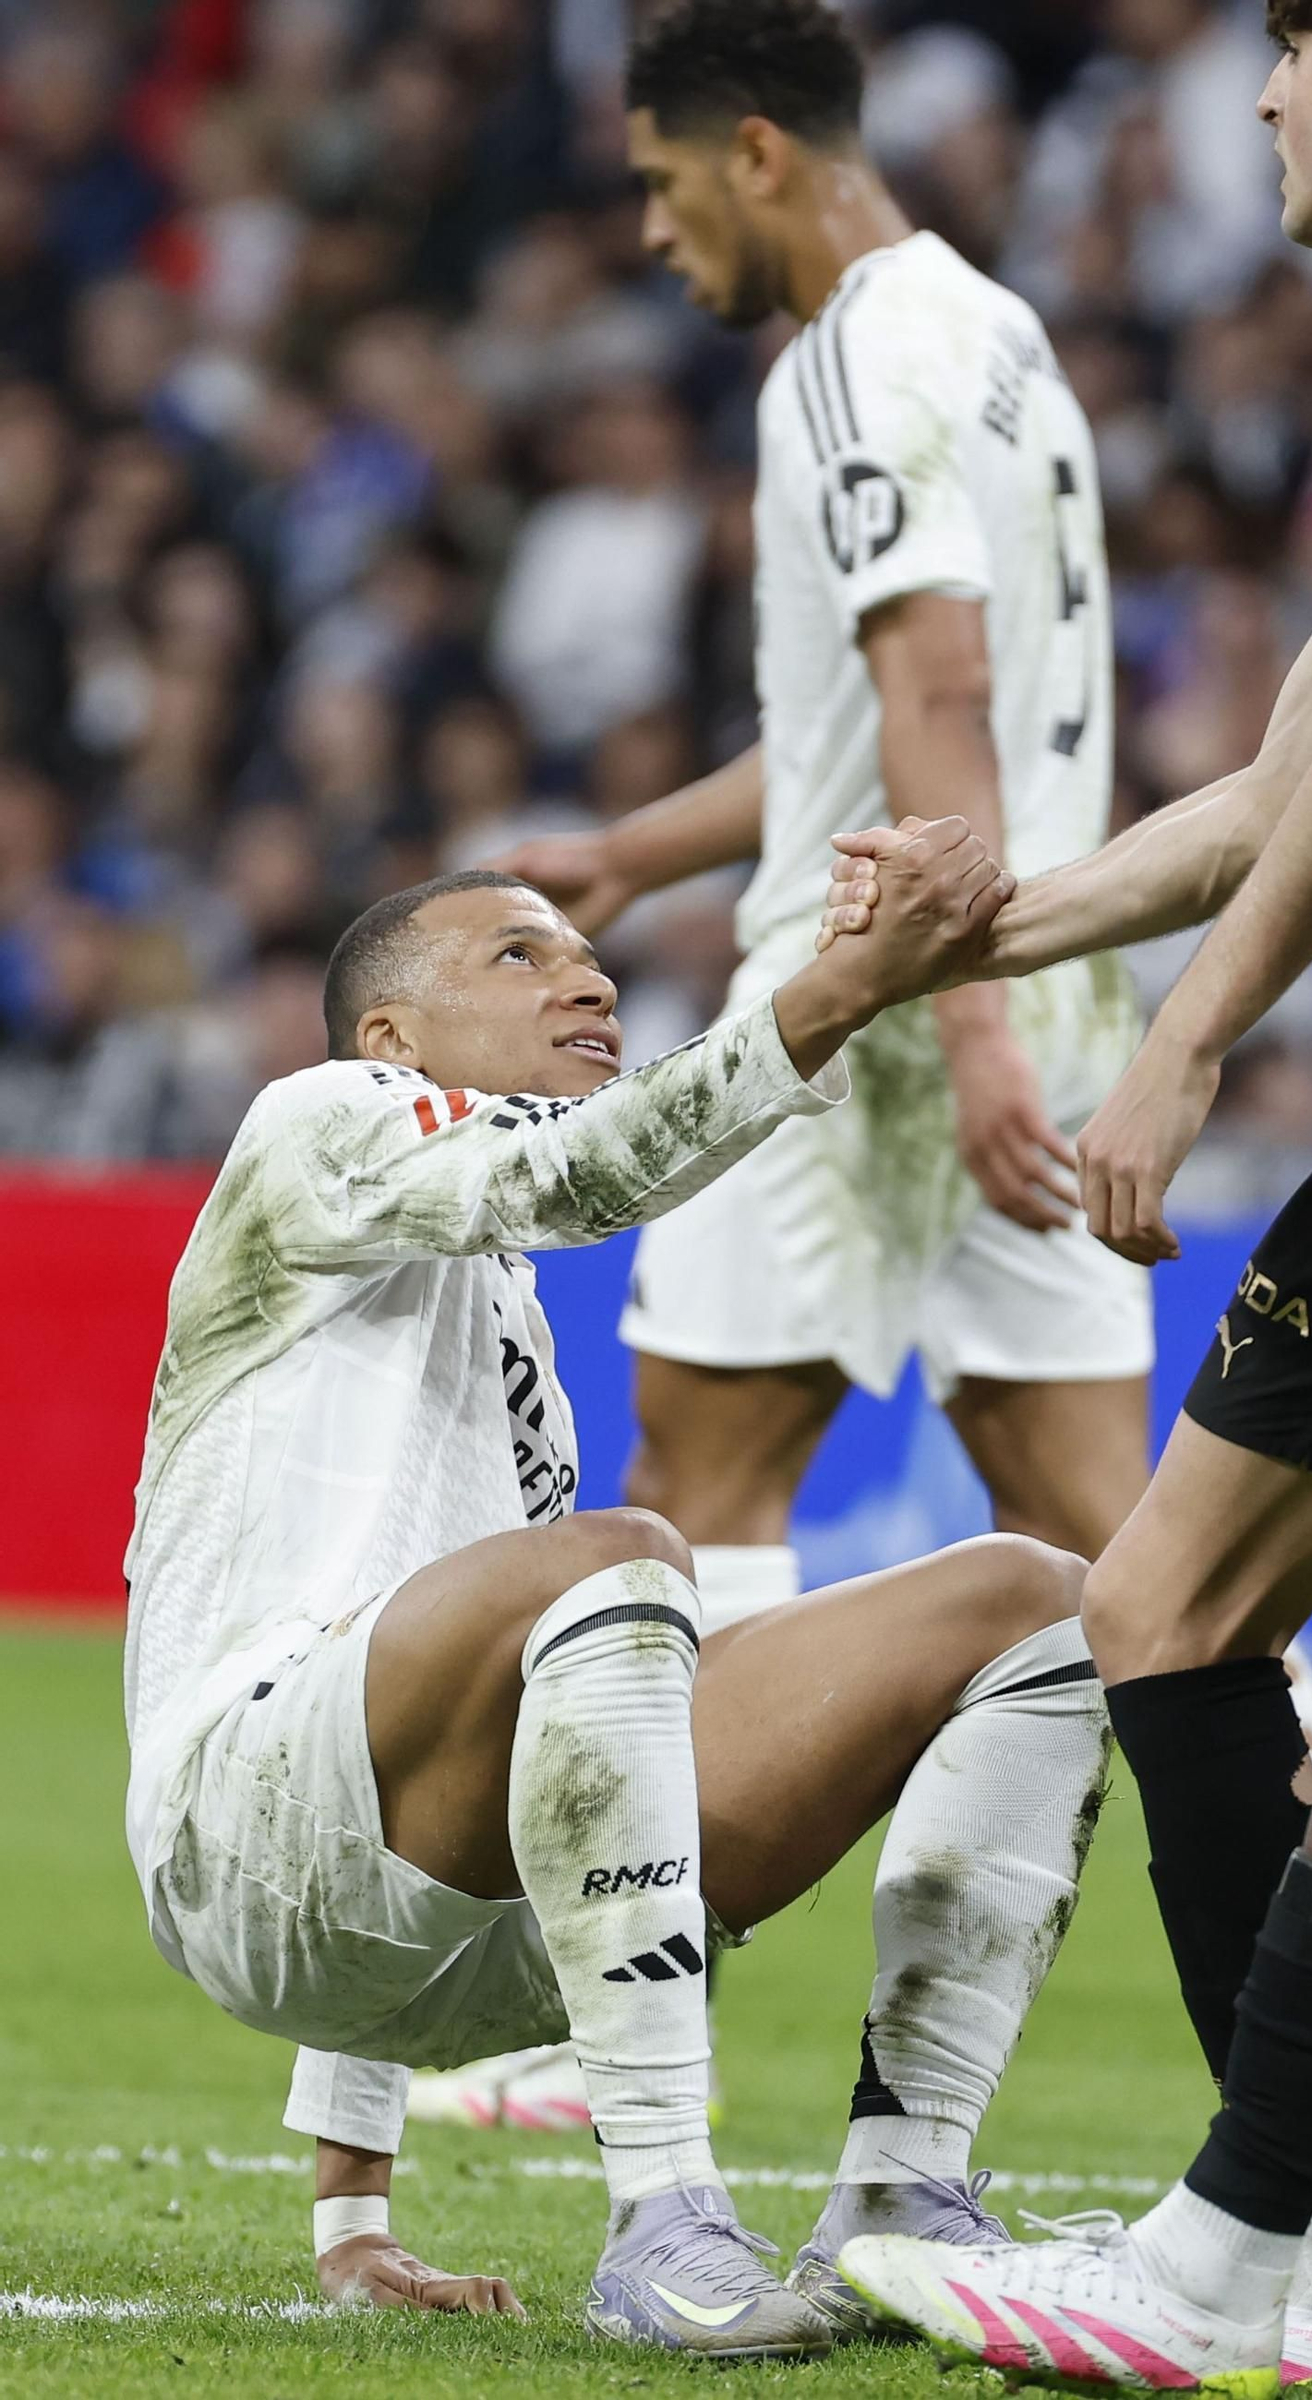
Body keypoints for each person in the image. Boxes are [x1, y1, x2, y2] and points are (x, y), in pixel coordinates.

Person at [821, 9, 1312, 2389]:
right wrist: (977, 930)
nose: (1247, 104)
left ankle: (1265, 2249)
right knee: (1251, 1602)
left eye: (1276, 51)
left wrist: (1181, 1033)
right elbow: (1295, 773)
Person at [123, 838, 1115, 2359]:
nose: (585, 973)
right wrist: (844, 984)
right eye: (517, 956)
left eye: (585, 955)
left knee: (1037, 1600)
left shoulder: (502, 1321)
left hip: (461, 1923)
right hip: (230, 1827)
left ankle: (904, 2193)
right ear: (391, 1038)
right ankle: (664, 2223)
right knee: (618, 1557)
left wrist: (354, 2217)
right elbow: (579, 1171)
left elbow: (438, 1730)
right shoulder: (316, 1119)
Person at [504, 0, 1155, 1634]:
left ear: (758, 153)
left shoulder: (850, 357)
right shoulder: (999, 334)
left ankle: (673, 1891)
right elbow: (878, 728)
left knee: (695, 1489)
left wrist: (968, 1023)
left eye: (664, 184)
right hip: (1052, 976)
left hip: (868, 1000)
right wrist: (631, 856)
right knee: (1111, 1537)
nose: (654, 231)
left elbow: (937, 692)